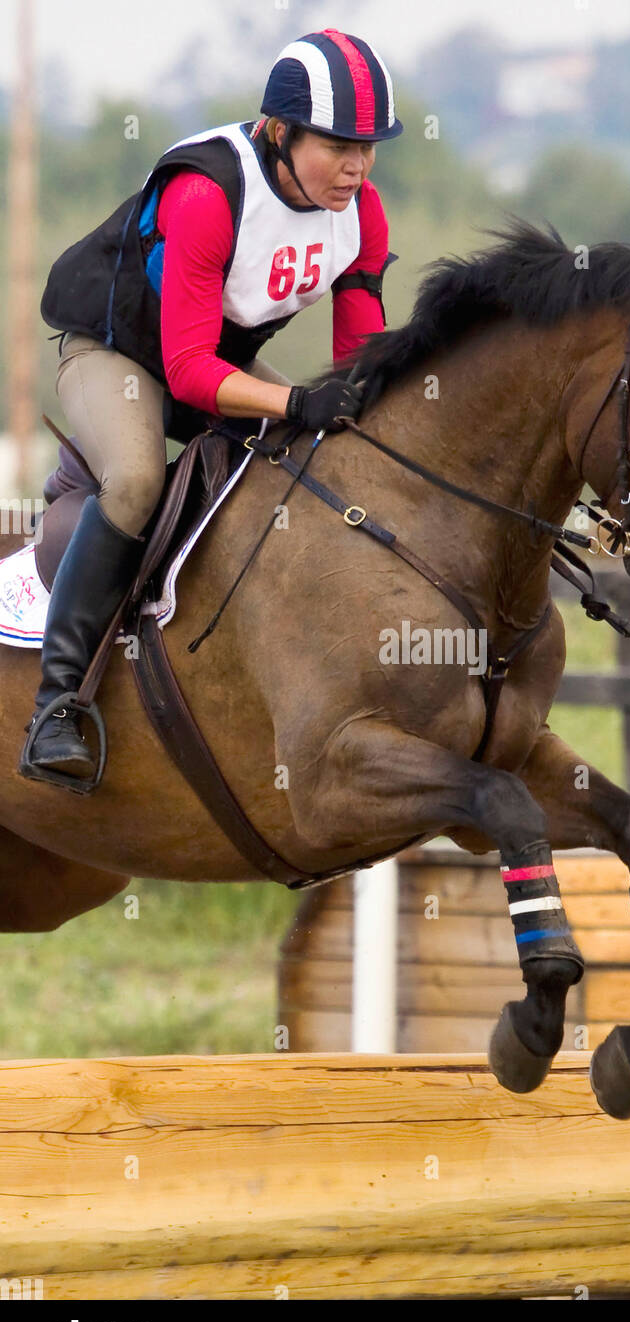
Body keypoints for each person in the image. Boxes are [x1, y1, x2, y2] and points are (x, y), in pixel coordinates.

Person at [22, 28, 402, 786]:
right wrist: (295, 397)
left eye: (368, 146)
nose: (356, 166)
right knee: (134, 482)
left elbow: (360, 361)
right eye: (337, 145)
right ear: (280, 132)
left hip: (209, 355)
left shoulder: (362, 212)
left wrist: (357, 407)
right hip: (115, 354)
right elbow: (191, 376)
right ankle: (55, 706)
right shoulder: (207, 193)